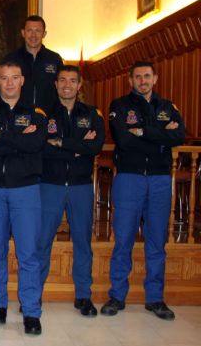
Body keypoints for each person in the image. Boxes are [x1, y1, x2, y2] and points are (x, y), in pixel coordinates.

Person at [101, 61, 185, 320]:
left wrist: (143, 131)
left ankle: (155, 298)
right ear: (130, 80)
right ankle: (117, 295)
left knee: (157, 240)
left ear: (155, 78)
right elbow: (124, 139)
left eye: (147, 76)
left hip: (159, 179)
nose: (142, 81)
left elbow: (179, 135)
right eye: (137, 77)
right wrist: (160, 133)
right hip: (129, 178)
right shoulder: (120, 106)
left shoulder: (168, 107)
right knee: (123, 238)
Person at [0, 60, 46, 335]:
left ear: (22, 80)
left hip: (25, 191)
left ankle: (31, 311)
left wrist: (1, 137)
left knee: (28, 254)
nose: (10, 83)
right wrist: (16, 140)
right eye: (4, 78)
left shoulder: (36, 115)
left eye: (15, 77)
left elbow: (35, 144)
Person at [38, 65, 105, 316]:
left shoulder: (91, 114)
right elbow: (41, 147)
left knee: (82, 241)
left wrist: (61, 142)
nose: (67, 85)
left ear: (80, 86)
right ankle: (34, 293)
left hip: (81, 186)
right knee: (42, 240)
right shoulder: (43, 114)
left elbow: (95, 145)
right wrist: (77, 147)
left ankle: (83, 296)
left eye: (72, 81)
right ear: (56, 84)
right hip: (50, 184)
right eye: (62, 80)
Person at [1, 15, 63, 113]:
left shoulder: (55, 59)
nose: (33, 35)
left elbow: (62, 89)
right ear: (23, 33)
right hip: (18, 118)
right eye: (29, 30)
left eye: (38, 31)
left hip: (50, 118)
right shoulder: (11, 59)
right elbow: (1, 87)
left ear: (44, 34)